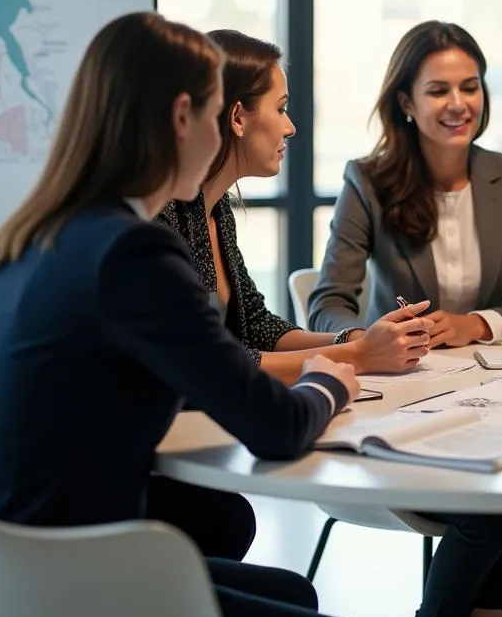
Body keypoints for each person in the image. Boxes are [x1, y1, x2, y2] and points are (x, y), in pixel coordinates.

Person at [0, 12, 371, 617]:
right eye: (219, 110)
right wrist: (332, 380)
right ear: (181, 118)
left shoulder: (35, 236)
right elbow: (275, 429)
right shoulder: (135, 253)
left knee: (291, 590)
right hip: (76, 580)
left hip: (11, 570)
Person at [309, 20, 502, 617]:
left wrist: (477, 323)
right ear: (405, 102)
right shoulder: (367, 180)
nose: (459, 104)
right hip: (402, 403)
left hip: (497, 404)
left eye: (470, 87)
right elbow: (326, 306)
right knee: (488, 516)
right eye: (438, 90)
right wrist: (368, 344)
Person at [153, 29, 429, 562]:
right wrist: (351, 357)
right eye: (279, 109)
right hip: (137, 487)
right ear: (235, 117)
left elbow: (255, 325)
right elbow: (225, 358)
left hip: (173, 465)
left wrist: (351, 338)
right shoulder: (162, 223)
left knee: (234, 524)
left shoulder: (215, 211)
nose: (290, 126)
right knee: (233, 524)